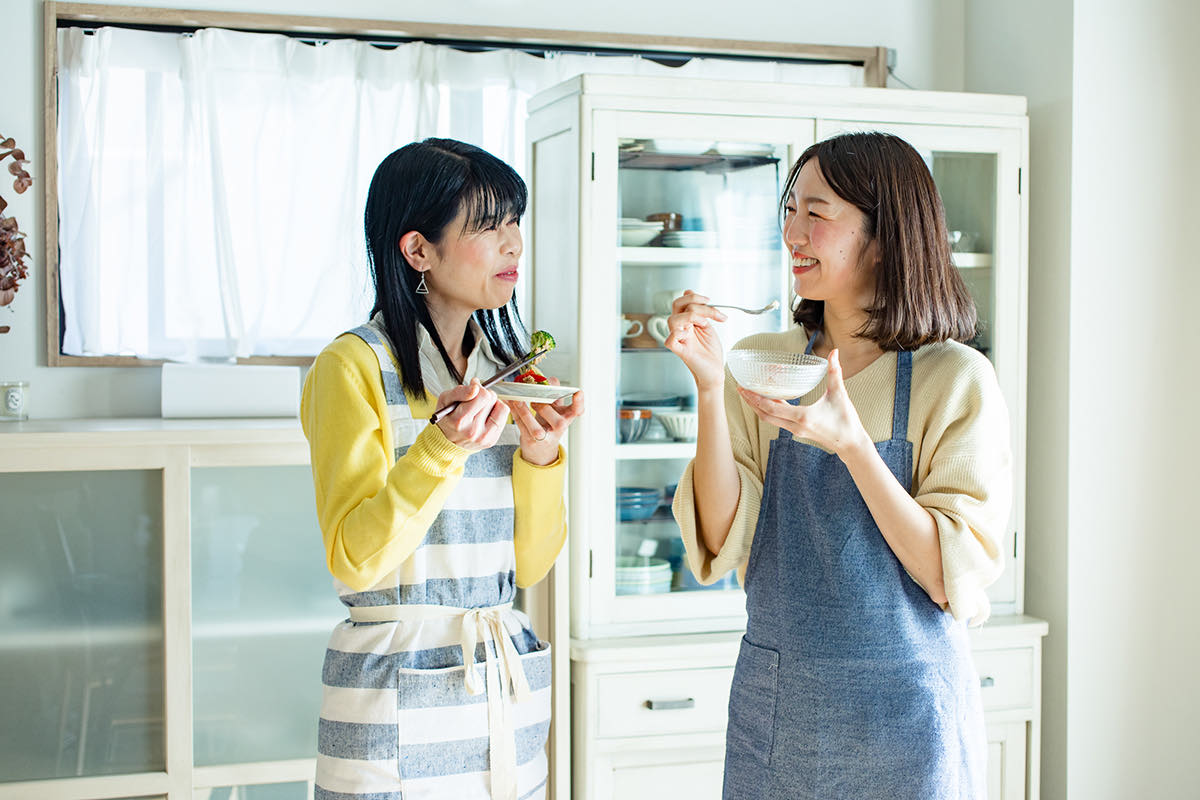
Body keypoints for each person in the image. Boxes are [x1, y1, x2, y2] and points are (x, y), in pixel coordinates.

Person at [663, 131, 1009, 799]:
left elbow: (948, 575)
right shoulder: (769, 361)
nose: (792, 233)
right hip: (780, 710)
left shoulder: (954, 379)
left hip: (907, 718)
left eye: (816, 214)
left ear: (886, 234)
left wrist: (852, 445)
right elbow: (722, 538)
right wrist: (711, 387)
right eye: (789, 210)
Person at [300, 137, 584, 800]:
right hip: (392, 685)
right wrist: (440, 450)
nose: (513, 243)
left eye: (515, 221)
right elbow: (353, 559)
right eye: (488, 226)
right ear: (418, 250)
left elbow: (530, 567)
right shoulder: (353, 368)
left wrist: (542, 458)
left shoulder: (510, 369)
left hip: (498, 683)